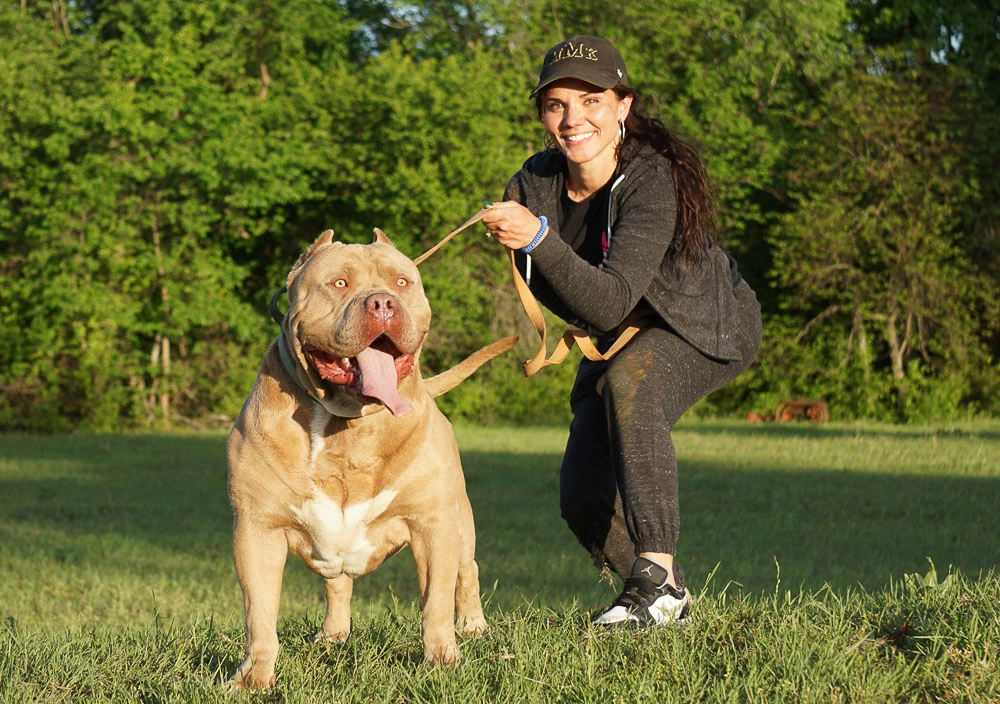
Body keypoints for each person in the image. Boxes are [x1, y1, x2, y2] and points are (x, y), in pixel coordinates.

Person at [482, 36, 762, 626]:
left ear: (622, 106)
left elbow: (607, 301)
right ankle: (671, 602)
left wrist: (538, 240)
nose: (572, 118)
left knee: (631, 383)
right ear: (542, 114)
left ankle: (654, 577)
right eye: (556, 104)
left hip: (705, 323)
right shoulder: (534, 183)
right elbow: (577, 299)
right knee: (582, 497)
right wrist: (528, 238)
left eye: (590, 101)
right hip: (619, 333)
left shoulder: (649, 178)